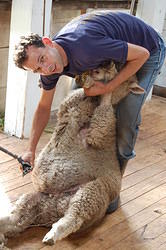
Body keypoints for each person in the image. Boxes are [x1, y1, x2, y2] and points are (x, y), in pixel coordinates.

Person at [13, 10, 166, 213]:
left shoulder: (86, 46)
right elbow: (43, 107)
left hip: (148, 50)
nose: (46, 69)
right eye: (37, 70)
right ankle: (85, 176)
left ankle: (111, 187)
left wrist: (107, 87)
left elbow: (142, 54)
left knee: (126, 117)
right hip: (111, 50)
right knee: (80, 110)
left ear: (49, 42)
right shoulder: (51, 65)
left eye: (42, 59)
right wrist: (30, 149)